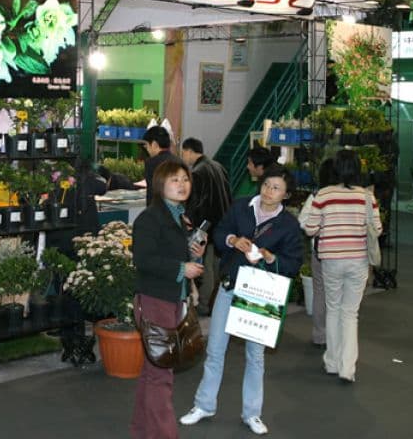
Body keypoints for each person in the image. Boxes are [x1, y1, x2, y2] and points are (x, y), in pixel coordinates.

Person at [180, 164, 303, 435]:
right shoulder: (241, 206)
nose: (268, 191)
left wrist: (271, 258)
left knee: (255, 355)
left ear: (286, 194)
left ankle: (252, 413)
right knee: (215, 349)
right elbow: (219, 233)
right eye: (266, 184)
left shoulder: (289, 224)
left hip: (261, 293)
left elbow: (293, 263)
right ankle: (204, 405)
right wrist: (233, 240)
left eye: (276, 188)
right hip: (231, 285)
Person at [130, 159, 204, 439]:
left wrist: (194, 256)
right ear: (161, 184)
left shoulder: (180, 217)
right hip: (155, 299)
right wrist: (181, 269)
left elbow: (175, 256)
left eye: (185, 179)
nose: (182, 184)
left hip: (173, 298)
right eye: (175, 180)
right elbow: (143, 260)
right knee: (161, 373)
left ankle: (142, 430)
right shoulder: (150, 219)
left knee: (154, 370)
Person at [302, 150, 382, 383]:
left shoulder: (324, 194)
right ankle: (348, 368)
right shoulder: (367, 196)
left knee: (333, 309)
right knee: (350, 313)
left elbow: (310, 229)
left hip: (331, 260)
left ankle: (332, 362)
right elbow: (377, 230)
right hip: (358, 261)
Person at [180, 137, 233, 316]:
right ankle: (217, 302)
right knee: (217, 266)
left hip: (205, 227)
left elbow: (197, 203)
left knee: (205, 267)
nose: (183, 157)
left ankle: (204, 305)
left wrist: (191, 222)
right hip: (223, 224)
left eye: (183, 153)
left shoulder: (197, 172)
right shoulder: (218, 167)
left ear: (189, 151)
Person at [298, 158, 337, 347]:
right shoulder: (352, 196)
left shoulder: (317, 196)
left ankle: (320, 335)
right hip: (346, 254)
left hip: (321, 251)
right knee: (339, 296)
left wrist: (319, 228)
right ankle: (337, 336)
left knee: (320, 293)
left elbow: (303, 221)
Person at [141, 126, 177, 205]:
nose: (147, 150)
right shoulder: (179, 161)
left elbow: (152, 193)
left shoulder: (152, 163)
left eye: (147, 146)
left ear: (154, 144)